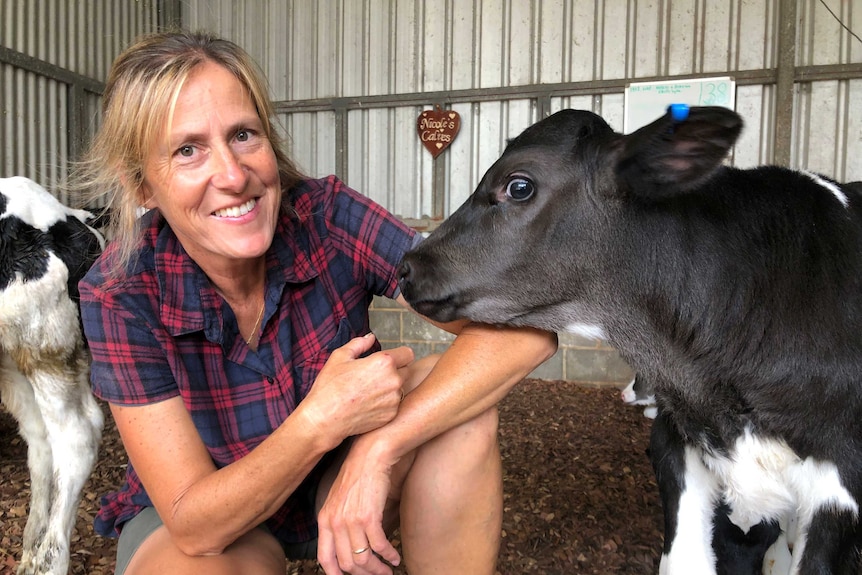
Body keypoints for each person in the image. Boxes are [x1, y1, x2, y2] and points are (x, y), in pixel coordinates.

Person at [74, 30, 556, 575]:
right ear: (142, 186)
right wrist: (319, 420)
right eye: (188, 150)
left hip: (335, 479)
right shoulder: (119, 293)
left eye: (243, 135)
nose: (233, 176)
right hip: (216, 512)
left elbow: (524, 330)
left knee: (457, 414)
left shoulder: (326, 216)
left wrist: (382, 447)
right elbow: (195, 524)